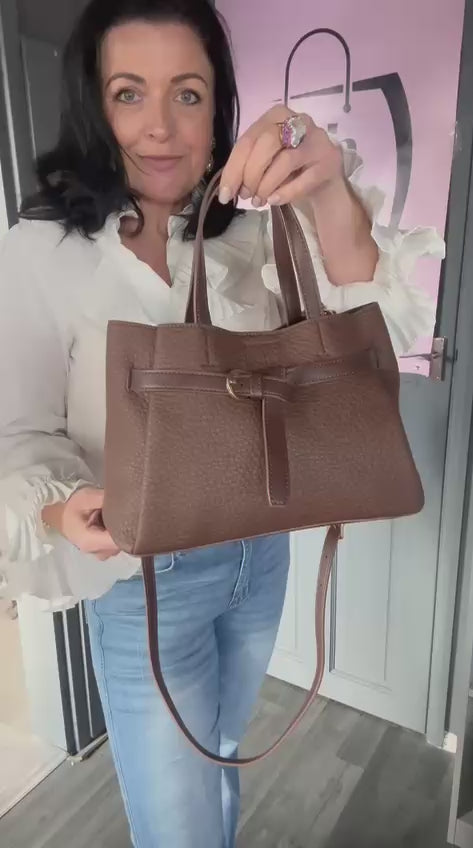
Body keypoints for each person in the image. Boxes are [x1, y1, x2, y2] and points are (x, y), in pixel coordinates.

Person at [0, 0, 445, 845]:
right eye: (129, 93)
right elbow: (16, 434)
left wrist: (329, 188)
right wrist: (58, 510)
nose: (160, 126)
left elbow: (375, 339)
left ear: (219, 107)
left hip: (260, 557)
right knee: (179, 830)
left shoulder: (253, 231)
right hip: (143, 584)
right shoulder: (41, 253)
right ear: (94, 105)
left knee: (225, 757)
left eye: (188, 94)